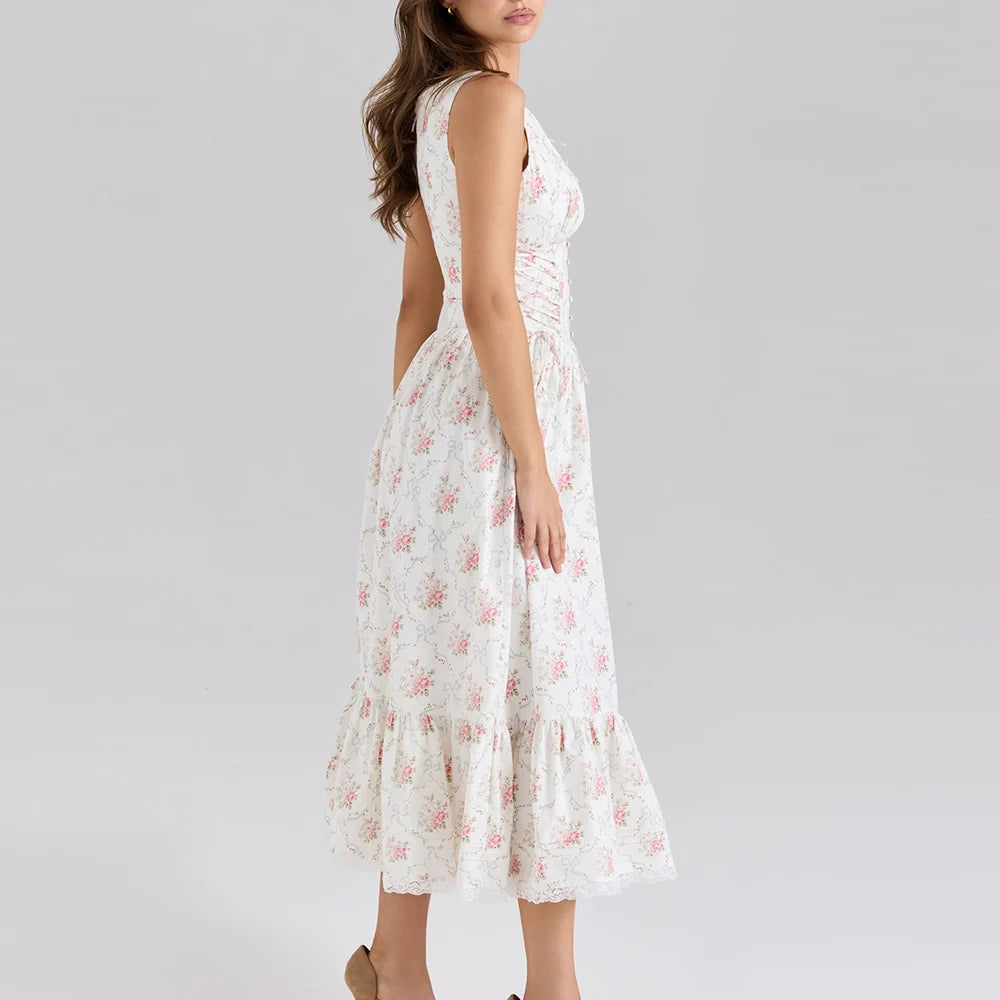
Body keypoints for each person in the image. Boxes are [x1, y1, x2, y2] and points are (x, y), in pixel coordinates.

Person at [323, 3, 678, 998]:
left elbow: (415, 304)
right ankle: (550, 987)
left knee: (449, 691)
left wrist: (410, 464)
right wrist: (528, 461)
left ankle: (395, 967)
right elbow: (484, 295)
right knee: (545, 690)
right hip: (497, 433)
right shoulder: (487, 101)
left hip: (445, 436)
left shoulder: (442, 104)